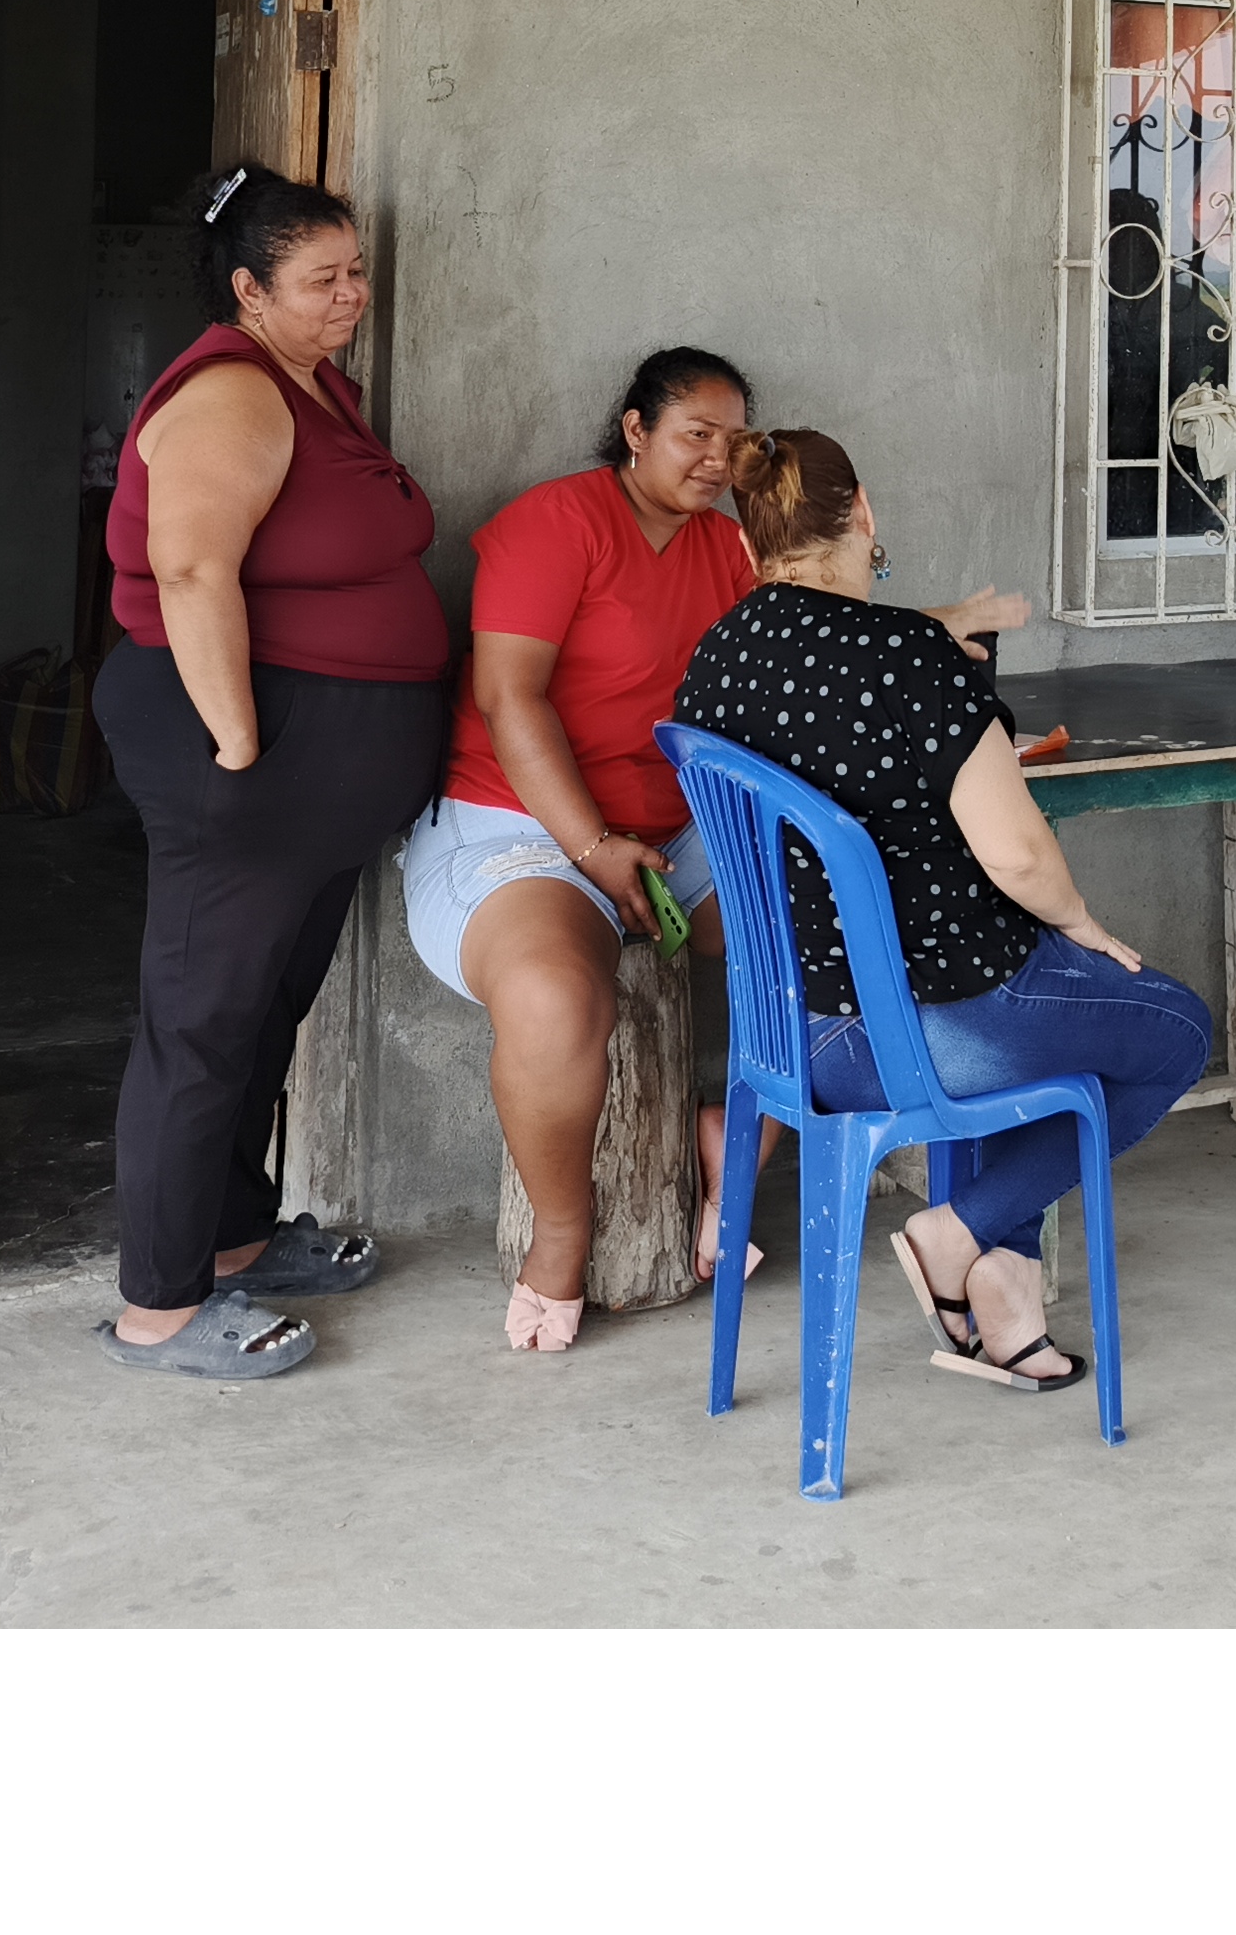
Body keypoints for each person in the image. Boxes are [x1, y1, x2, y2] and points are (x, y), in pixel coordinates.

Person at [409, 351, 1024, 1349]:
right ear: (635, 429)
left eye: (733, 441)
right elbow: (506, 698)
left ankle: (736, 1144)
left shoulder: (728, 545)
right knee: (556, 995)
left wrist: (939, 628)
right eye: (694, 433)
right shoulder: (555, 523)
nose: (714, 458)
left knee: (848, 925)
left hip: (683, 825)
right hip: (524, 821)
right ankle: (562, 1236)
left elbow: (819, 632)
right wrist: (592, 846)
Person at [673, 430, 1211, 1393]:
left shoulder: (716, 658)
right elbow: (1018, 856)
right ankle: (957, 1234)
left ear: (749, 541)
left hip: (792, 1034)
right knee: (1173, 1031)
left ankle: (1006, 1295)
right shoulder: (906, 653)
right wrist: (1081, 924)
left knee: (1050, 1028)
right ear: (864, 512)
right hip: (926, 1037)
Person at [96, 166, 449, 1381]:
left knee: (260, 1008)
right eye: (321, 278)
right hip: (240, 752)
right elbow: (190, 570)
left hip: (310, 772)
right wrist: (242, 744)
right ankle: (158, 1305)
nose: (352, 294)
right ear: (248, 289)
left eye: (356, 270)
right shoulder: (230, 392)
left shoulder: (311, 382)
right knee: (200, 1019)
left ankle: (235, 1236)